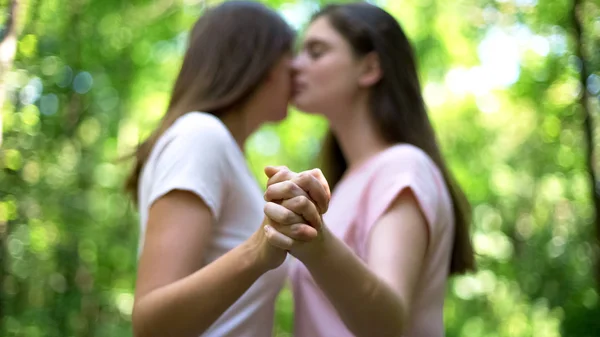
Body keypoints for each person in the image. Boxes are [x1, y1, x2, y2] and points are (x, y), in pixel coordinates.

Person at [262, 3, 476, 337]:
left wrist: (316, 245)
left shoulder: (402, 166)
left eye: (316, 52)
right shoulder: (346, 181)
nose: (295, 65)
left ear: (370, 68)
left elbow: (386, 324)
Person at [123, 2, 328, 336]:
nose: (295, 69)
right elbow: (151, 323)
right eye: (288, 54)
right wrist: (259, 251)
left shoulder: (221, 148)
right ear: (261, 63)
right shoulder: (201, 135)